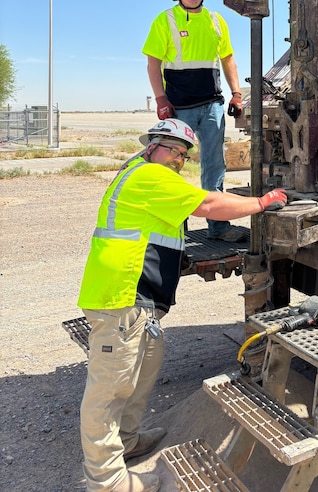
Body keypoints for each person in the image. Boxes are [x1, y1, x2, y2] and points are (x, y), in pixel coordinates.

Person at [78, 119, 287, 492]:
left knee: (144, 367)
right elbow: (208, 203)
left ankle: (126, 442)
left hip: (137, 300)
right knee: (109, 391)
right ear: (152, 146)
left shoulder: (146, 176)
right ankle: (107, 481)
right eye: (174, 151)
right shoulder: (147, 176)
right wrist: (260, 203)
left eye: (184, 155)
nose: (179, 160)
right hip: (121, 297)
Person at [142, 0, 245, 243]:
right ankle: (175, 230)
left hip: (211, 103)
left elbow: (228, 59)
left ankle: (218, 228)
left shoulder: (216, 21)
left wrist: (236, 93)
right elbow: (153, 64)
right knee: (171, 166)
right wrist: (161, 99)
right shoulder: (165, 21)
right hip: (178, 108)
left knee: (214, 166)